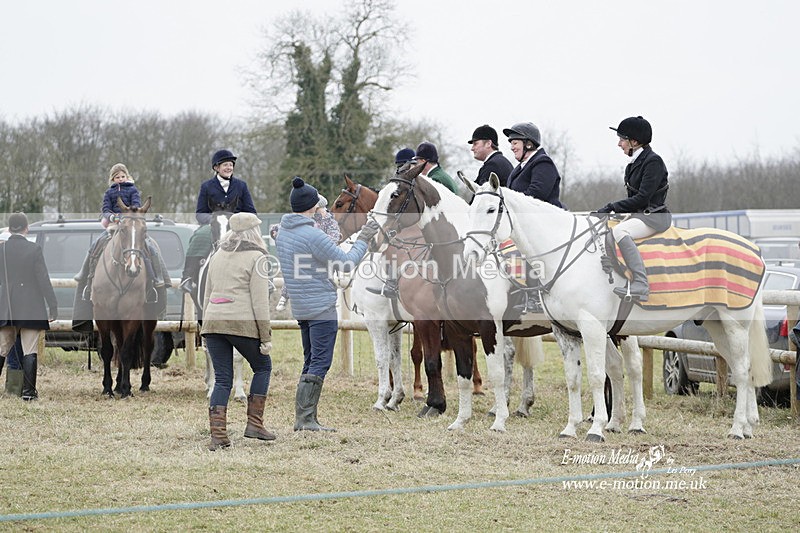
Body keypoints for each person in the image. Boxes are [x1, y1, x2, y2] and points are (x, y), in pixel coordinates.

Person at [275, 177, 380, 431]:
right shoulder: (312, 235)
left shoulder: (283, 232)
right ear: (313, 206)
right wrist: (365, 237)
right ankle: (306, 419)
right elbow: (345, 262)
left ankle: (305, 418)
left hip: (300, 306)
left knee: (310, 359)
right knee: (321, 361)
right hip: (320, 306)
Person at [201, 212, 276, 450]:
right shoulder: (259, 257)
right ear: (255, 232)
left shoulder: (217, 255)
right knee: (263, 367)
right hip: (240, 322)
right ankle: (254, 424)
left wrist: (205, 326)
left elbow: (206, 293)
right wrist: (265, 337)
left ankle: (218, 436)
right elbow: (260, 302)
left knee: (223, 379)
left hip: (213, 321)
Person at [73, 164, 170, 313]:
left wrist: (129, 216)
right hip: (113, 224)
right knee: (95, 245)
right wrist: (112, 217)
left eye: (122, 176)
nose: (120, 179)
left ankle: (158, 279)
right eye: (117, 177)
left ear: (127, 177)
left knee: (151, 248)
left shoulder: (133, 190)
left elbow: (136, 206)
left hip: (132, 224)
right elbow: (105, 210)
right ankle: (86, 278)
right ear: (113, 179)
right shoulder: (109, 193)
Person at [596, 116, 670, 302]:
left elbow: (643, 198)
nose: (619, 144)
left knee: (620, 231)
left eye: (622, 139)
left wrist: (612, 207)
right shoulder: (634, 163)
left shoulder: (653, 161)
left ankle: (640, 283)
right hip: (640, 216)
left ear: (634, 142)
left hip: (654, 217)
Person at [179, 149, 257, 293]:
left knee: (255, 240)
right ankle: (188, 277)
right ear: (216, 168)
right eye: (225, 165)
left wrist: (238, 220)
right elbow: (200, 213)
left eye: (231, 165)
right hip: (213, 225)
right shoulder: (207, 186)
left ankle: (267, 278)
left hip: (236, 227)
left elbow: (251, 211)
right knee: (200, 236)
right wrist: (215, 219)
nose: (229, 168)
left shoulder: (241, 186)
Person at [0, 213, 58, 401]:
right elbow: (43, 280)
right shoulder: (34, 249)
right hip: (31, 307)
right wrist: (53, 304)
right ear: (26, 228)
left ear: (9, 229)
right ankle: (28, 393)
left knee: (2, 349)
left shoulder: (2, 250)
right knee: (29, 349)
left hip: (7, 306)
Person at [275, 194, 342, 312]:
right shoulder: (306, 221)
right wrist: (275, 232)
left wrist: (317, 242)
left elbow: (333, 238)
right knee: (293, 269)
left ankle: (330, 299)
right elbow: (282, 227)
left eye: (321, 209)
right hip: (305, 253)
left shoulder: (330, 222)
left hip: (320, 254)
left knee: (326, 274)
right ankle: (285, 295)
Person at [503, 122, 564, 208]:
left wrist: (511, 203)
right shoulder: (519, 168)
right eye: (511, 144)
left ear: (528, 144)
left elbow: (537, 194)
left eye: (515, 143)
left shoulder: (543, 162)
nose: (512, 148)